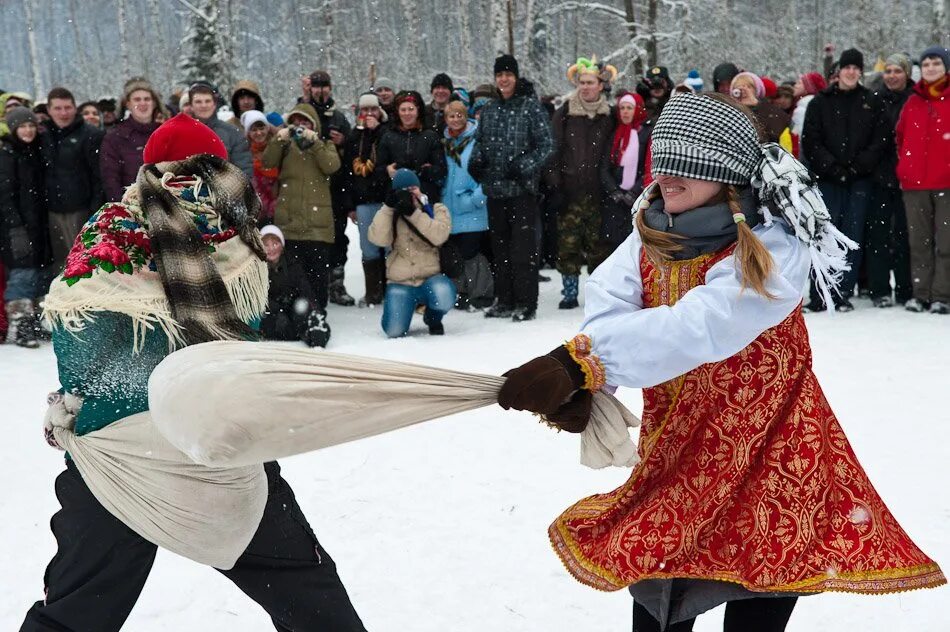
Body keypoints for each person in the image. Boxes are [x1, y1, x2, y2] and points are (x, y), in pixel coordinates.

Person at [497, 92, 945, 632]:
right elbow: (605, 313)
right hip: (680, 454)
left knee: (757, 602)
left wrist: (586, 365)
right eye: (663, 162)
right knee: (658, 606)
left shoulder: (773, 245)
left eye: (688, 165)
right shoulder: (649, 234)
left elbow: (701, 327)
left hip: (774, 460)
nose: (668, 176)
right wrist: (594, 379)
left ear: (727, 173)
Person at [21, 113, 366, 631]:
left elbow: (81, 339)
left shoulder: (110, 230)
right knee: (310, 594)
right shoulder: (231, 234)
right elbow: (238, 341)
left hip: (118, 456)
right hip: (212, 446)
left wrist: (82, 402)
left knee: (76, 611)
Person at [468, 54, 554, 321]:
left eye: (508, 74)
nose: (503, 79)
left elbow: (547, 146)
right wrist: (476, 161)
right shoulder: (491, 109)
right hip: (495, 191)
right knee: (500, 250)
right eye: (499, 75)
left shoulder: (530, 107)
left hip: (521, 192)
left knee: (523, 251)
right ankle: (504, 300)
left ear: (516, 77)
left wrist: (524, 165)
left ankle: (526, 303)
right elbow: (479, 142)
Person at [802, 48, 883, 311]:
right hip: (827, 180)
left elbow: (878, 141)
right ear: (839, 71)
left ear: (860, 71)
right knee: (824, 236)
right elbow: (811, 141)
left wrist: (857, 167)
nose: (851, 72)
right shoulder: (820, 103)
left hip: (859, 181)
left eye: (855, 68)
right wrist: (832, 167)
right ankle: (820, 293)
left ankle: (842, 293)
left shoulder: (871, 101)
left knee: (852, 236)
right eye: (847, 67)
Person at [547, 57, 618, 310]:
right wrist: (555, 185)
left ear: (601, 85)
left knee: (599, 246)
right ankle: (569, 292)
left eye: (591, 82)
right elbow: (553, 150)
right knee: (568, 245)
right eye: (582, 82)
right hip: (569, 192)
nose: (585, 87)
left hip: (598, 193)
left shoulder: (610, 115)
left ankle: (597, 293)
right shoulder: (565, 113)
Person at [262, 103, 341, 312]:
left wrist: (314, 143)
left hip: (318, 224)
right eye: (296, 122)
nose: (300, 127)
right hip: (290, 222)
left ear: (314, 125)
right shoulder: (285, 147)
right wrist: (280, 138)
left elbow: (331, 166)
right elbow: (267, 162)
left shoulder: (324, 145)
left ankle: (318, 311)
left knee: (317, 272)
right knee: (294, 271)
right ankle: (294, 309)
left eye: (305, 122)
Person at [895, 45, 950, 314]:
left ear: (945, 68)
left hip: (947, 184)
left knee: (947, 242)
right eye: (926, 64)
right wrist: (905, 167)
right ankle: (921, 293)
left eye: (936, 64)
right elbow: (900, 136)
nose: (930, 68)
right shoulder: (913, 101)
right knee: (919, 243)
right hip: (915, 185)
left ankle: (941, 295)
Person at [368, 169, 455, 337]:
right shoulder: (391, 214)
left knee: (443, 294)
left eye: (413, 188)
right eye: (404, 190)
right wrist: (388, 207)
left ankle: (433, 318)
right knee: (393, 331)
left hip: (430, 278)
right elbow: (378, 239)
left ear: (420, 188)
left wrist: (414, 213)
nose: (409, 194)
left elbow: (439, 236)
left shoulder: (435, 208)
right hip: (401, 281)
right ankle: (400, 312)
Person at [298, 70, 354, 306]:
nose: (320, 91)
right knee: (310, 238)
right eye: (316, 87)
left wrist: (343, 143)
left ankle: (336, 284)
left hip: (336, 187)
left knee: (338, 237)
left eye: (324, 87)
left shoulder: (339, 118)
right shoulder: (304, 113)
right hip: (308, 186)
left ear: (330, 88)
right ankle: (310, 284)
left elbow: (352, 152)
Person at [40, 86, 105, 270]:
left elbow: (99, 177)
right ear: (49, 110)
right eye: (58, 108)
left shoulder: (91, 135)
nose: (63, 113)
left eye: (67, 107)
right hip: (52, 210)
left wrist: (95, 210)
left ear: (75, 108)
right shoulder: (43, 135)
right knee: (62, 264)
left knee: (87, 262)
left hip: (82, 210)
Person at [868, 53, 914, 308]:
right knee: (878, 236)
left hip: (908, 177)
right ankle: (879, 288)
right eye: (889, 71)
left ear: (906, 74)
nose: (892, 76)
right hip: (879, 176)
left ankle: (907, 289)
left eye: (898, 71)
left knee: (906, 235)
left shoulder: (914, 100)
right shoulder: (875, 99)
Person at [1, 107, 49, 348]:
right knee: (22, 274)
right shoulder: (7, 154)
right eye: (23, 126)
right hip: (16, 227)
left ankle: (36, 323)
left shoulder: (33, 151)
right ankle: (21, 325)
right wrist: (15, 226)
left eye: (31, 125)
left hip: (38, 223)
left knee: (40, 273)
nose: (28, 130)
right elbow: (5, 195)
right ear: (14, 128)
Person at [441, 99, 492, 311]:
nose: (455, 120)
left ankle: (481, 293)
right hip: (449, 206)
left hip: (471, 205)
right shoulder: (443, 143)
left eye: (459, 115)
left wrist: (477, 197)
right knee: (454, 252)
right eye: (451, 116)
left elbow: (488, 171)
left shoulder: (477, 139)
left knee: (471, 252)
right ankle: (461, 292)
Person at [341, 92, 391, 307]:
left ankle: (392, 290)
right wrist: (349, 205)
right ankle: (373, 292)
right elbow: (347, 173)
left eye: (373, 109)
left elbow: (386, 157)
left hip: (385, 198)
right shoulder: (354, 137)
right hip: (362, 200)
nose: (369, 114)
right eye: (365, 110)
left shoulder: (387, 133)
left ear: (380, 112)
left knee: (389, 246)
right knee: (368, 246)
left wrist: (376, 130)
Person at [259, 224, 331, 347]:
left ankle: (315, 329)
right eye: (266, 245)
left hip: (291, 305)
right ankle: (297, 331)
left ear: (282, 246)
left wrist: (315, 310)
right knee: (277, 323)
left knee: (302, 308)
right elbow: (259, 297)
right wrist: (276, 308)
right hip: (271, 310)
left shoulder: (292, 264)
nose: (271, 249)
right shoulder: (257, 267)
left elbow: (306, 290)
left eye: (275, 244)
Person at [599, 91, 649, 261]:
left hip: (636, 198)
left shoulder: (645, 133)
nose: (625, 112)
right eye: (622, 108)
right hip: (615, 200)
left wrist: (634, 191)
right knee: (614, 245)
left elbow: (647, 166)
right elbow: (604, 167)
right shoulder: (615, 134)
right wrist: (614, 190)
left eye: (629, 108)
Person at [376, 90, 446, 203]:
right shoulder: (388, 137)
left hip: (424, 196)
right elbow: (378, 169)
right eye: (403, 110)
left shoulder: (430, 136)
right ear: (398, 112)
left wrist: (426, 171)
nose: (407, 113)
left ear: (418, 111)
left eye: (411, 109)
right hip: (396, 197)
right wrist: (387, 170)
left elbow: (441, 169)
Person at [99, 78, 162, 202]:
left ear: (154, 103)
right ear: (127, 104)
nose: (143, 103)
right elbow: (111, 179)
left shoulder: (165, 132)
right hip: (132, 207)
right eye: (137, 99)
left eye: (147, 99)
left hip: (166, 206)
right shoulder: (115, 137)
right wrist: (121, 208)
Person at [187, 81, 253, 178]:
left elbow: (244, 170)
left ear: (214, 104)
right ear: (191, 106)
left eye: (207, 101)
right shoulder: (182, 132)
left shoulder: (232, 133)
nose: (204, 105)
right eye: (198, 102)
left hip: (226, 189)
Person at [730, 71, 791, 145]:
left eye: (748, 87)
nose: (744, 91)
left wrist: (756, 105)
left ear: (757, 90)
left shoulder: (768, 109)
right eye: (738, 88)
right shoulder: (729, 110)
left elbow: (774, 133)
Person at [240, 110, 279, 224]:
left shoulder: (278, 147)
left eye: (261, 128)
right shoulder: (244, 153)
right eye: (254, 130)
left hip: (278, 208)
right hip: (255, 210)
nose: (258, 133)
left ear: (267, 129)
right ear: (248, 133)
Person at [789, 71, 826, 159]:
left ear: (808, 88)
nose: (795, 85)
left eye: (800, 83)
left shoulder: (803, 108)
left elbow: (801, 139)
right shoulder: (817, 105)